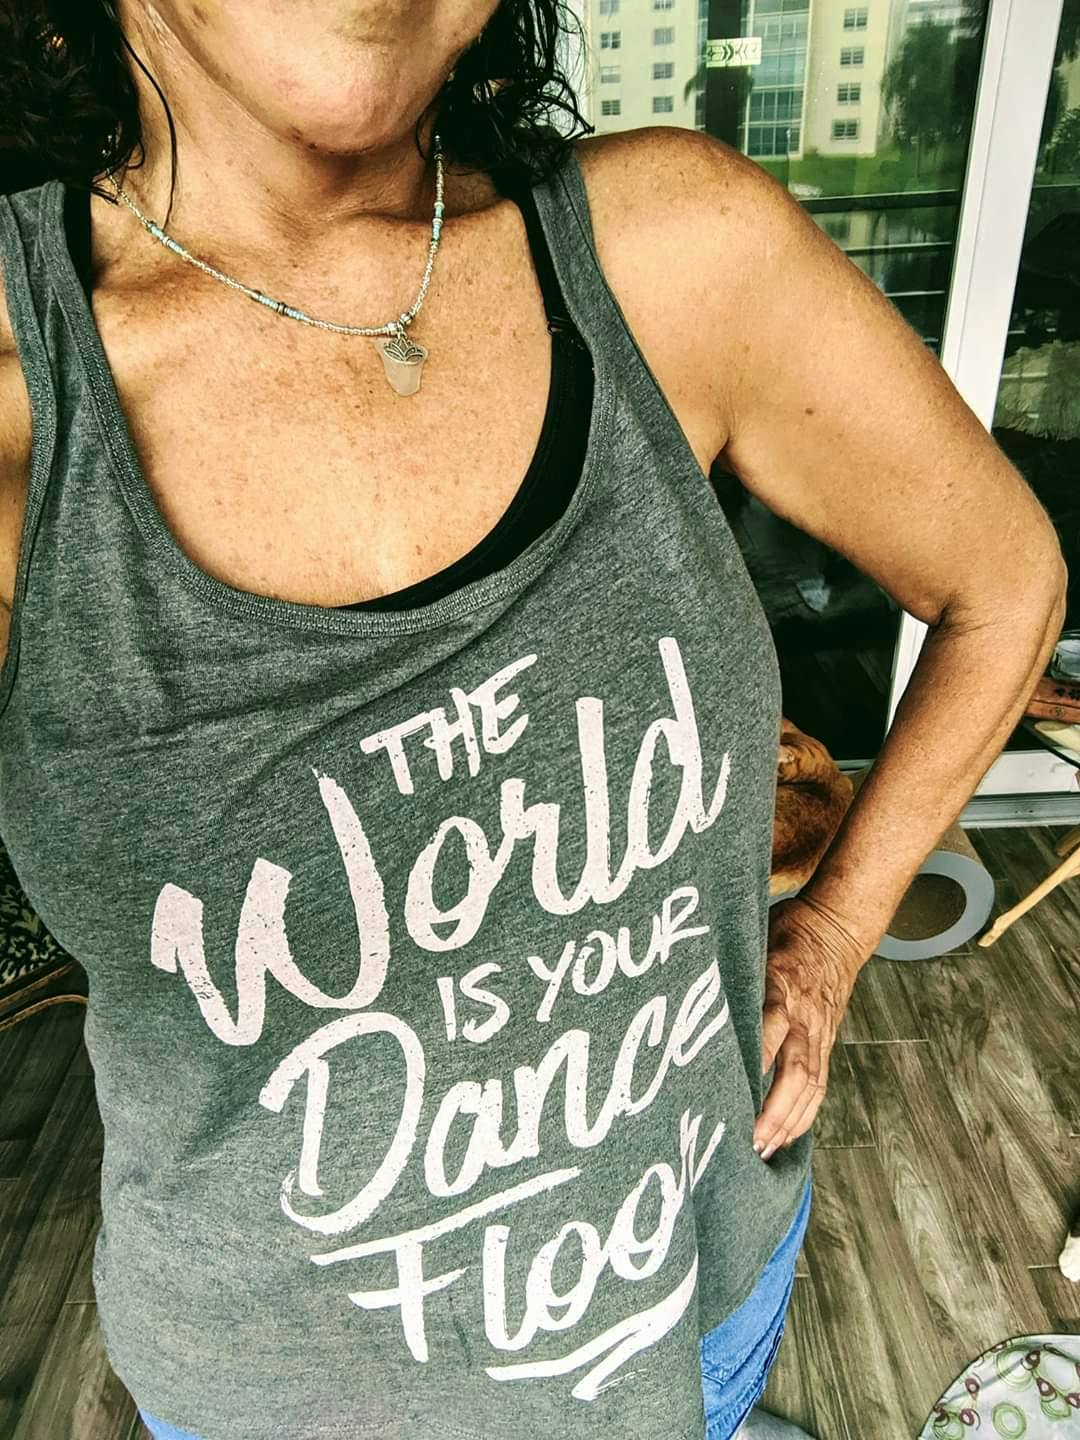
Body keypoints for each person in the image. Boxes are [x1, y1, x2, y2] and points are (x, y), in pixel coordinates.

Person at [0, 3, 1066, 1439]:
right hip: (275, 1398)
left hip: (688, 1303)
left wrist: (827, 940)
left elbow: (1004, 581)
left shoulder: (673, 255)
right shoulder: (26, 388)